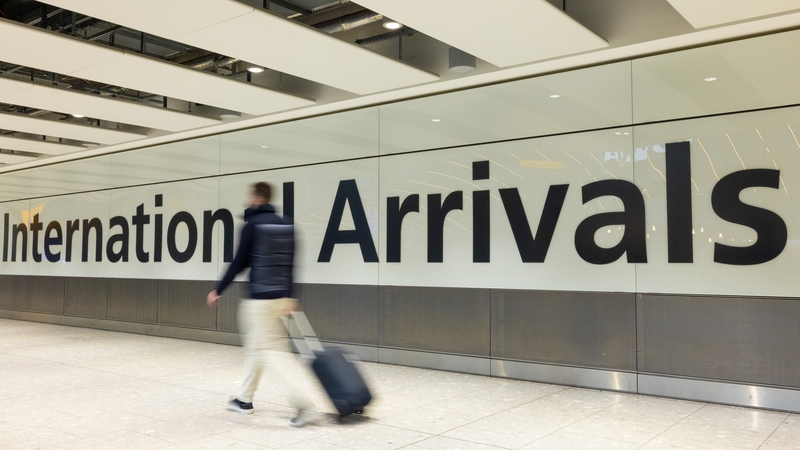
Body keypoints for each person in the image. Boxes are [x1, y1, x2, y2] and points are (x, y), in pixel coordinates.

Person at [206, 182, 316, 428]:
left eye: (250, 196)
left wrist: (218, 289)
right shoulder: (288, 224)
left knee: (272, 354)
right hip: (282, 299)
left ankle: (305, 406)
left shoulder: (252, 225)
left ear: (257, 197)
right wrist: (293, 297)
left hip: (260, 299)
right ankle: (244, 400)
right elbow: (292, 264)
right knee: (258, 347)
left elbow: (239, 263)